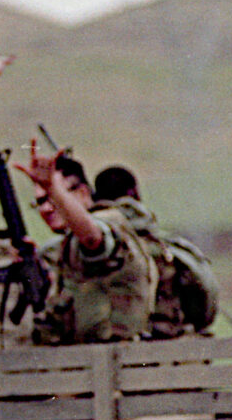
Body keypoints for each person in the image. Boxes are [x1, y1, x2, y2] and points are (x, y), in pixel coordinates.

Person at [16, 143, 157, 345]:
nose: (46, 209)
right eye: (40, 202)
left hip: (111, 356)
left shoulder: (108, 224)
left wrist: (54, 189)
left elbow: (93, 239)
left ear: (83, 193)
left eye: (52, 198)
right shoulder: (63, 247)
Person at [92, 165, 219, 338]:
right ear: (136, 194)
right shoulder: (164, 246)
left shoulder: (94, 247)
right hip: (169, 339)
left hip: (115, 342)